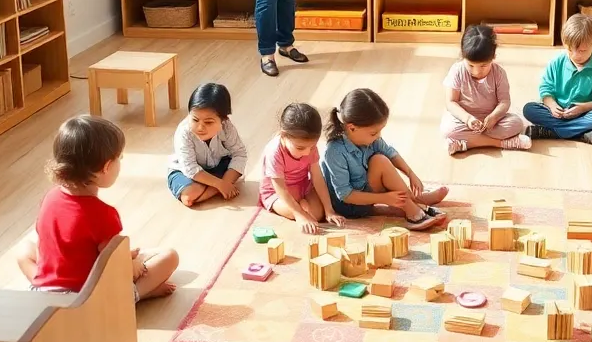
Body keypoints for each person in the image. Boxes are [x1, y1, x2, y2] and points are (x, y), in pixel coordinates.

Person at [16, 115, 179, 301]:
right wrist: (132, 263)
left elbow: (55, 244)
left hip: (45, 291)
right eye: (120, 158)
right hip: (86, 301)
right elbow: (116, 269)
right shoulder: (104, 215)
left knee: (24, 249)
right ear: (106, 167)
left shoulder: (50, 197)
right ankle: (134, 295)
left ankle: (47, 292)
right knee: (169, 256)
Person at [321, 88, 448, 230]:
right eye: (374, 132)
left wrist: (410, 173)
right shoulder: (334, 151)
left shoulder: (371, 139)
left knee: (381, 159)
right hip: (351, 205)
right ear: (351, 128)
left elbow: (390, 152)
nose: (378, 136)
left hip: (367, 189)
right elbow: (345, 195)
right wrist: (384, 199)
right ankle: (413, 211)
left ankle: (415, 200)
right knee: (380, 161)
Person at [522, 13, 592, 143]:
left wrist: (582, 108)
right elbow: (546, 89)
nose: (576, 55)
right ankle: (579, 134)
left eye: (582, 51)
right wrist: (552, 105)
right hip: (556, 112)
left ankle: (551, 132)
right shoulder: (556, 63)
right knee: (529, 109)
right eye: (570, 50)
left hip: (584, 112)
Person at [442, 25, 532, 155]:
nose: (476, 71)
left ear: (494, 56)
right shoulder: (457, 71)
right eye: (471, 65)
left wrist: (494, 117)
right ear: (463, 56)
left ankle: (464, 143)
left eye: (483, 65)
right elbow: (451, 102)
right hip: (464, 118)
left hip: (491, 120)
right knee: (448, 129)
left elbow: (504, 101)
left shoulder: (499, 73)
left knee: (516, 124)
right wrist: (467, 119)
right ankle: (503, 143)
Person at [259, 103, 346, 234]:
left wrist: (329, 210)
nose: (306, 153)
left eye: (312, 147)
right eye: (300, 148)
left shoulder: (309, 147)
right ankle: (300, 208)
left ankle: (303, 207)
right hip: (277, 194)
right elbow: (280, 189)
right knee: (305, 215)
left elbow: (317, 177)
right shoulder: (274, 151)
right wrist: (299, 214)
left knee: (317, 215)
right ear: (283, 135)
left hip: (303, 187)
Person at [166, 83, 249, 207]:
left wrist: (224, 182)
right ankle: (219, 185)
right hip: (185, 169)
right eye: (195, 120)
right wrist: (221, 185)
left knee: (235, 169)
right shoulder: (184, 132)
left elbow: (240, 154)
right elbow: (190, 168)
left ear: (223, 119)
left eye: (208, 122)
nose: (200, 127)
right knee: (189, 197)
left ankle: (215, 184)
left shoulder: (227, 126)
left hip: (218, 164)